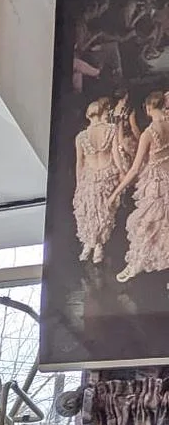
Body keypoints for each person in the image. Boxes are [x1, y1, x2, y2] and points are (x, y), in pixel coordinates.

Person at [111, 91, 169, 283]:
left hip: (155, 185)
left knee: (145, 224)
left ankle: (135, 264)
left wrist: (115, 193)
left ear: (149, 108)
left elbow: (135, 169)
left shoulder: (149, 134)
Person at [72, 98, 119, 264]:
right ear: (101, 113)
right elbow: (116, 156)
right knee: (103, 211)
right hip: (106, 173)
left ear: (88, 115)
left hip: (90, 176)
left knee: (89, 210)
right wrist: (122, 173)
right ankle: (96, 245)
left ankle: (91, 245)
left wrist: (79, 184)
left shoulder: (81, 137)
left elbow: (79, 163)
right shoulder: (112, 129)